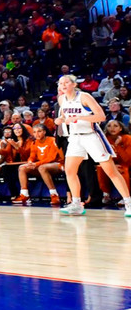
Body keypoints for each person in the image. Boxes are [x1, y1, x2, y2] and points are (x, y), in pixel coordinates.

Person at [55, 75, 131, 216]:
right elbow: (66, 117)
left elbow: (101, 116)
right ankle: (76, 204)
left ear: (74, 84)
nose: (63, 85)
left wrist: (79, 118)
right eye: (60, 83)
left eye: (66, 82)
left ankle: (128, 202)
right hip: (75, 137)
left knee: (111, 171)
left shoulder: (84, 97)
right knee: (70, 171)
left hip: (91, 136)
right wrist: (61, 119)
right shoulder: (61, 99)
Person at [13, 124, 64, 206]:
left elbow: (51, 158)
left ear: (44, 132)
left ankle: (54, 195)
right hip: (41, 165)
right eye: (34, 132)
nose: (36, 134)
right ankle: (24, 195)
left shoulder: (52, 140)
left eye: (39, 131)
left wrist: (36, 164)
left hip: (57, 164)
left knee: (42, 168)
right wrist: (30, 162)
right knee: (22, 168)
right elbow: (32, 156)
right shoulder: (34, 142)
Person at [98, 120, 131, 207]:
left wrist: (118, 146)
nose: (112, 128)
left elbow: (127, 160)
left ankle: (125, 197)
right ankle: (106, 194)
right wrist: (112, 166)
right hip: (111, 163)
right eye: (109, 126)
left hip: (125, 163)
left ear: (121, 128)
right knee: (101, 167)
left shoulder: (128, 138)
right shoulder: (103, 139)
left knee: (123, 169)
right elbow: (101, 156)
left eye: (115, 126)